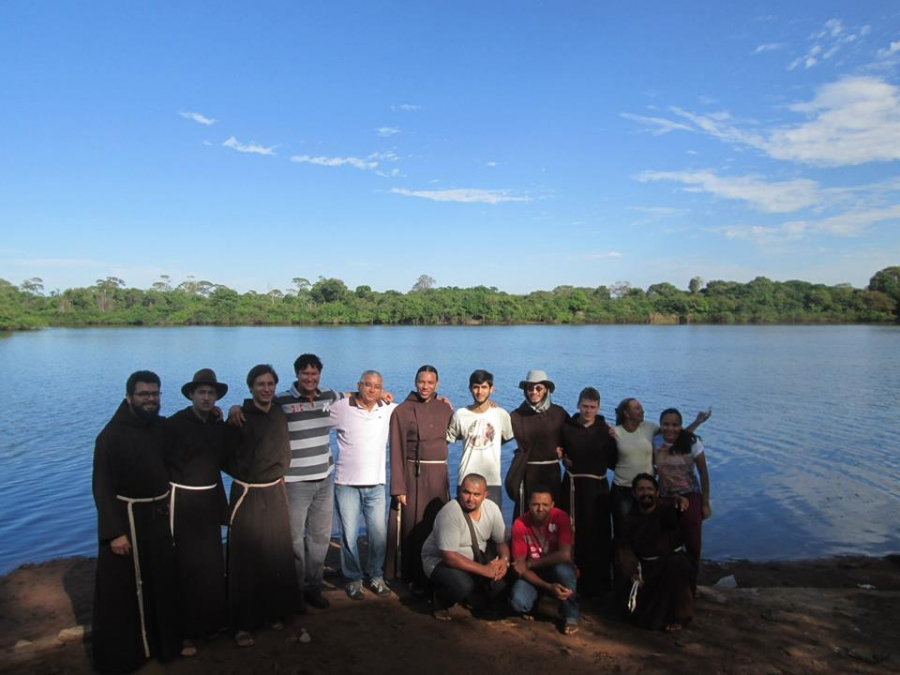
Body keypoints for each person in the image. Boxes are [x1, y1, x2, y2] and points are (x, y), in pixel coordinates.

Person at [91, 371, 181, 673]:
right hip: (127, 521)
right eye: (144, 394)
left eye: (155, 393)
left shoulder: (160, 427)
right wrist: (113, 533)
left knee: (161, 582)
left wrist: (222, 411)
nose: (150, 399)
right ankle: (127, 655)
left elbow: (187, 432)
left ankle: (163, 645)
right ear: (129, 397)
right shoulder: (110, 436)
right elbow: (101, 487)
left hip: (156, 517)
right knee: (125, 590)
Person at [224, 364, 300, 647]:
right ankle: (243, 623)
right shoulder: (239, 418)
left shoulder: (278, 412)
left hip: (275, 490)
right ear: (251, 387)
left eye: (270, 384)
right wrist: (247, 476)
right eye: (260, 384)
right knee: (246, 558)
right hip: (248, 493)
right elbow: (224, 455)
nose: (266, 389)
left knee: (276, 554)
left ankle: (274, 612)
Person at [164, 368, 229, 656]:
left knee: (212, 564)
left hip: (210, 500)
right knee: (186, 566)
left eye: (211, 393)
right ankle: (186, 631)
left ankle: (212, 623)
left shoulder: (216, 423)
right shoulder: (174, 424)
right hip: (183, 502)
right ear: (191, 394)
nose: (206, 397)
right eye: (201, 392)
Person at [329, 370, 396, 600]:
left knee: (378, 535)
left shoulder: (387, 408)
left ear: (381, 389)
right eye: (367, 385)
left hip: (376, 484)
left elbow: (413, 409)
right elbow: (315, 416)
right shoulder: (342, 407)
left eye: (376, 386)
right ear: (358, 385)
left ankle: (376, 576)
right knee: (348, 535)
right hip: (346, 484)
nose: (371, 389)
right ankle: (354, 579)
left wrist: (439, 399)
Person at [387, 365, 453, 589]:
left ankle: (436, 572)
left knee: (436, 524)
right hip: (413, 476)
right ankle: (411, 574)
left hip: (438, 475)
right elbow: (396, 450)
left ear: (437, 384)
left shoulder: (444, 409)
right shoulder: (402, 411)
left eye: (430, 382)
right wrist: (398, 487)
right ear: (415, 382)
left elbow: (458, 431)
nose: (425, 387)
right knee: (412, 525)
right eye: (421, 382)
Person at [611, 398, 709, 534]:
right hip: (623, 488)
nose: (642, 411)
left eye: (641, 408)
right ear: (626, 413)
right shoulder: (615, 432)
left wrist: (697, 422)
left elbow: (675, 434)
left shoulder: (649, 427)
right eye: (637, 408)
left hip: (647, 490)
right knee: (623, 529)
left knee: (647, 529)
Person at [421, 473, 510, 620]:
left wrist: (504, 561)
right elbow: (449, 557)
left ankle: (473, 595)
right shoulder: (450, 513)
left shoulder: (492, 509)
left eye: (476, 494)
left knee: (501, 588)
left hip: (475, 560)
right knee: (461, 585)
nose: (470, 499)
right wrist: (484, 570)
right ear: (459, 491)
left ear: (485, 495)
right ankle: (439, 601)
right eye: (466, 492)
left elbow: (500, 542)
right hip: (440, 562)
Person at [614, 473, 693, 632]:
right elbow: (624, 548)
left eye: (650, 489)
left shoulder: (666, 511)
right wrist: (632, 570)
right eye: (641, 489)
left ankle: (677, 617)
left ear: (657, 493)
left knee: (679, 564)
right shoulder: (629, 519)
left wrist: (680, 502)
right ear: (634, 494)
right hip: (644, 569)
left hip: (666, 566)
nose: (646, 493)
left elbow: (677, 511)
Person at [560, 386, 618, 598]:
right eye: (585, 406)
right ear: (578, 405)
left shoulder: (605, 430)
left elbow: (614, 461)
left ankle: (598, 584)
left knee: (598, 533)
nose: (588, 411)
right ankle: (572, 581)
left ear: (599, 407)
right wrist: (562, 458)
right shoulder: (567, 427)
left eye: (592, 407)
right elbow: (559, 449)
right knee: (573, 532)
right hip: (573, 487)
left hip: (597, 488)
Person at [654, 407, 712, 589]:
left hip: (690, 495)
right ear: (660, 425)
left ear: (680, 426)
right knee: (666, 545)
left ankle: (690, 586)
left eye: (675, 425)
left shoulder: (692, 442)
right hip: (666, 498)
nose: (670, 428)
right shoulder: (655, 441)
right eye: (666, 424)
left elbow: (703, 474)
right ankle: (668, 586)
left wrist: (705, 503)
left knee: (693, 545)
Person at [509, 486, 579, 635]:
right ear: (528, 504)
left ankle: (571, 615)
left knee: (564, 571)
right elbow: (519, 567)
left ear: (552, 505)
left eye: (545, 505)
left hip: (555, 567)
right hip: (534, 573)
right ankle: (540, 600)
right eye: (535, 504)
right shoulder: (520, 524)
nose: (540, 509)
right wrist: (547, 586)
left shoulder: (561, 518)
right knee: (518, 603)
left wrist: (530, 563)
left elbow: (565, 555)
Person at [446, 369, 515, 506]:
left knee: (492, 518)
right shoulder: (460, 414)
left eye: (484, 387)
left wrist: (493, 443)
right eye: (476, 387)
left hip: (492, 481)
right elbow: (448, 438)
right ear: (470, 389)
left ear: (491, 389)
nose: (479, 392)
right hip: (466, 479)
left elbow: (508, 436)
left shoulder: (500, 414)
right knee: (463, 519)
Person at [508, 369, 569, 517]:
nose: (534, 392)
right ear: (525, 390)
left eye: (539, 388)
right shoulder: (516, 416)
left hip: (552, 473)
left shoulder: (559, 413)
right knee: (527, 515)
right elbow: (499, 433)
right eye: (530, 388)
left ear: (546, 390)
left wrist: (565, 453)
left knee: (552, 516)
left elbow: (573, 435)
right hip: (527, 473)